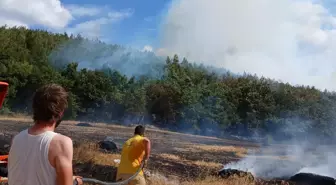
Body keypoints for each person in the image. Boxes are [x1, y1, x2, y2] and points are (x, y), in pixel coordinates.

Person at [7, 84, 83, 185]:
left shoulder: (17, 139)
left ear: (34, 109)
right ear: (60, 113)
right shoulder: (61, 143)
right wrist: (76, 182)